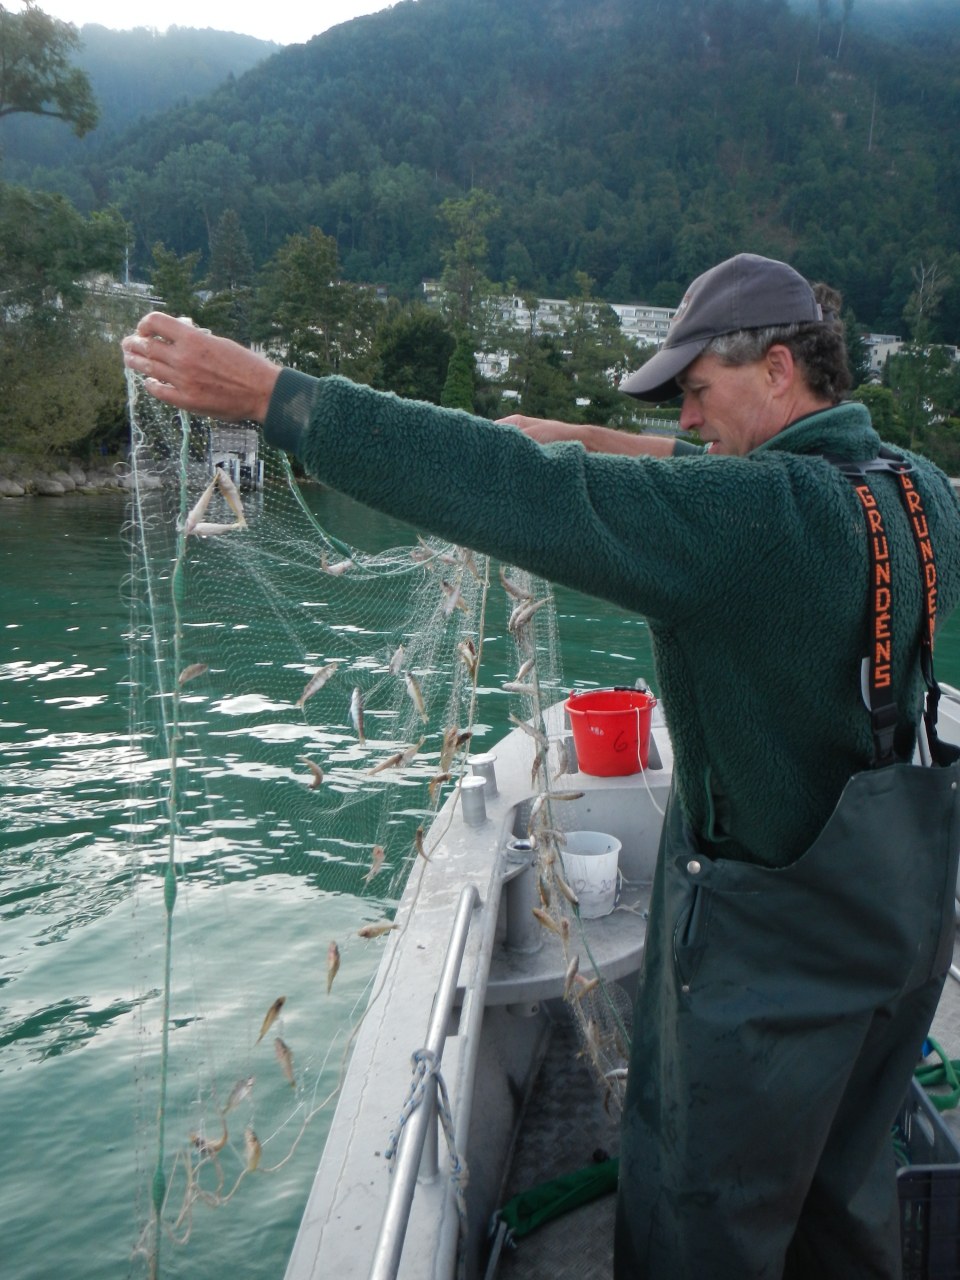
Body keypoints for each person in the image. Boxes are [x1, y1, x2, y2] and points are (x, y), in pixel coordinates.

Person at [124, 253, 960, 1279]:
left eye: (696, 393)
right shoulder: (917, 493)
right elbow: (733, 493)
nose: (688, 422)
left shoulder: (751, 530)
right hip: (898, 934)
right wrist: (586, 438)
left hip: (765, 974)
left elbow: (524, 494)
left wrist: (269, 395)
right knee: (841, 1195)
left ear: (777, 368)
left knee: (704, 1218)